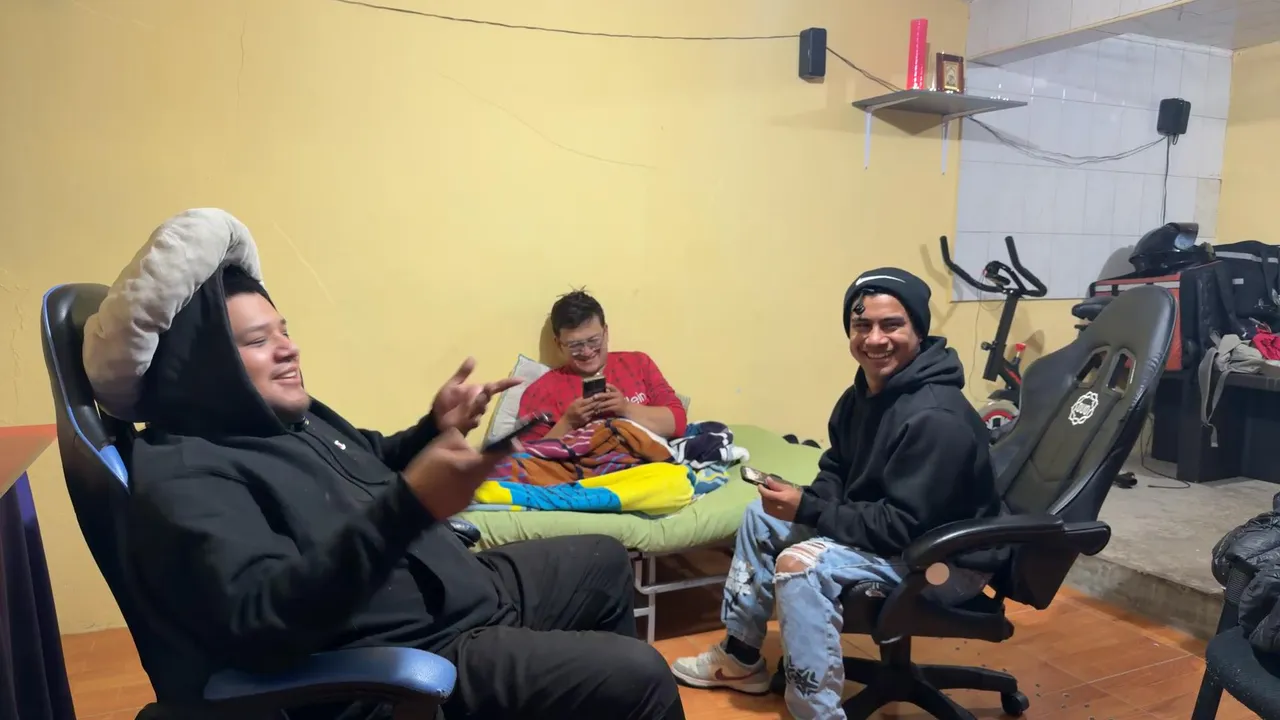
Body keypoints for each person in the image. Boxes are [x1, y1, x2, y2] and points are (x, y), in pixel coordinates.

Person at [126, 265, 685, 720]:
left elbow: (370, 455)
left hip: (455, 587)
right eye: (258, 340)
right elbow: (264, 621)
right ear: (206, 367)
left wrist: (433, 428)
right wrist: (408, 508)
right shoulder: (186, 470)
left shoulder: (292, 417)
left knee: (604, 559)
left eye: (284, 330)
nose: (289, 349)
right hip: (413, 651)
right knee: (639, 676)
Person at [670, 267, 1005, 719]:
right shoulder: (863, 394)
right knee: (761, 516)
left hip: (944, 560)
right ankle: (741, 657)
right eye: (862, 325)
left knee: (801, 565)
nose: (875, 339)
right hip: (899, 534)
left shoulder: (935, 418)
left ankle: (818, 713)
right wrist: (800, 500)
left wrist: (810, 509)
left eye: (892, 325)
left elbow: (904, 527)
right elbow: (837, 469)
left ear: (919, 331)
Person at [518, 289, 687, 441]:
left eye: (593, 340)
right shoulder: (540, 390)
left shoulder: (638, 363)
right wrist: (568, 423)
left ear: (606, 332)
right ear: (558, 344)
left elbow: (678, 423)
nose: (586, 352)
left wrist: (625, 408)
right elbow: (526, 457)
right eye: (575, 345)